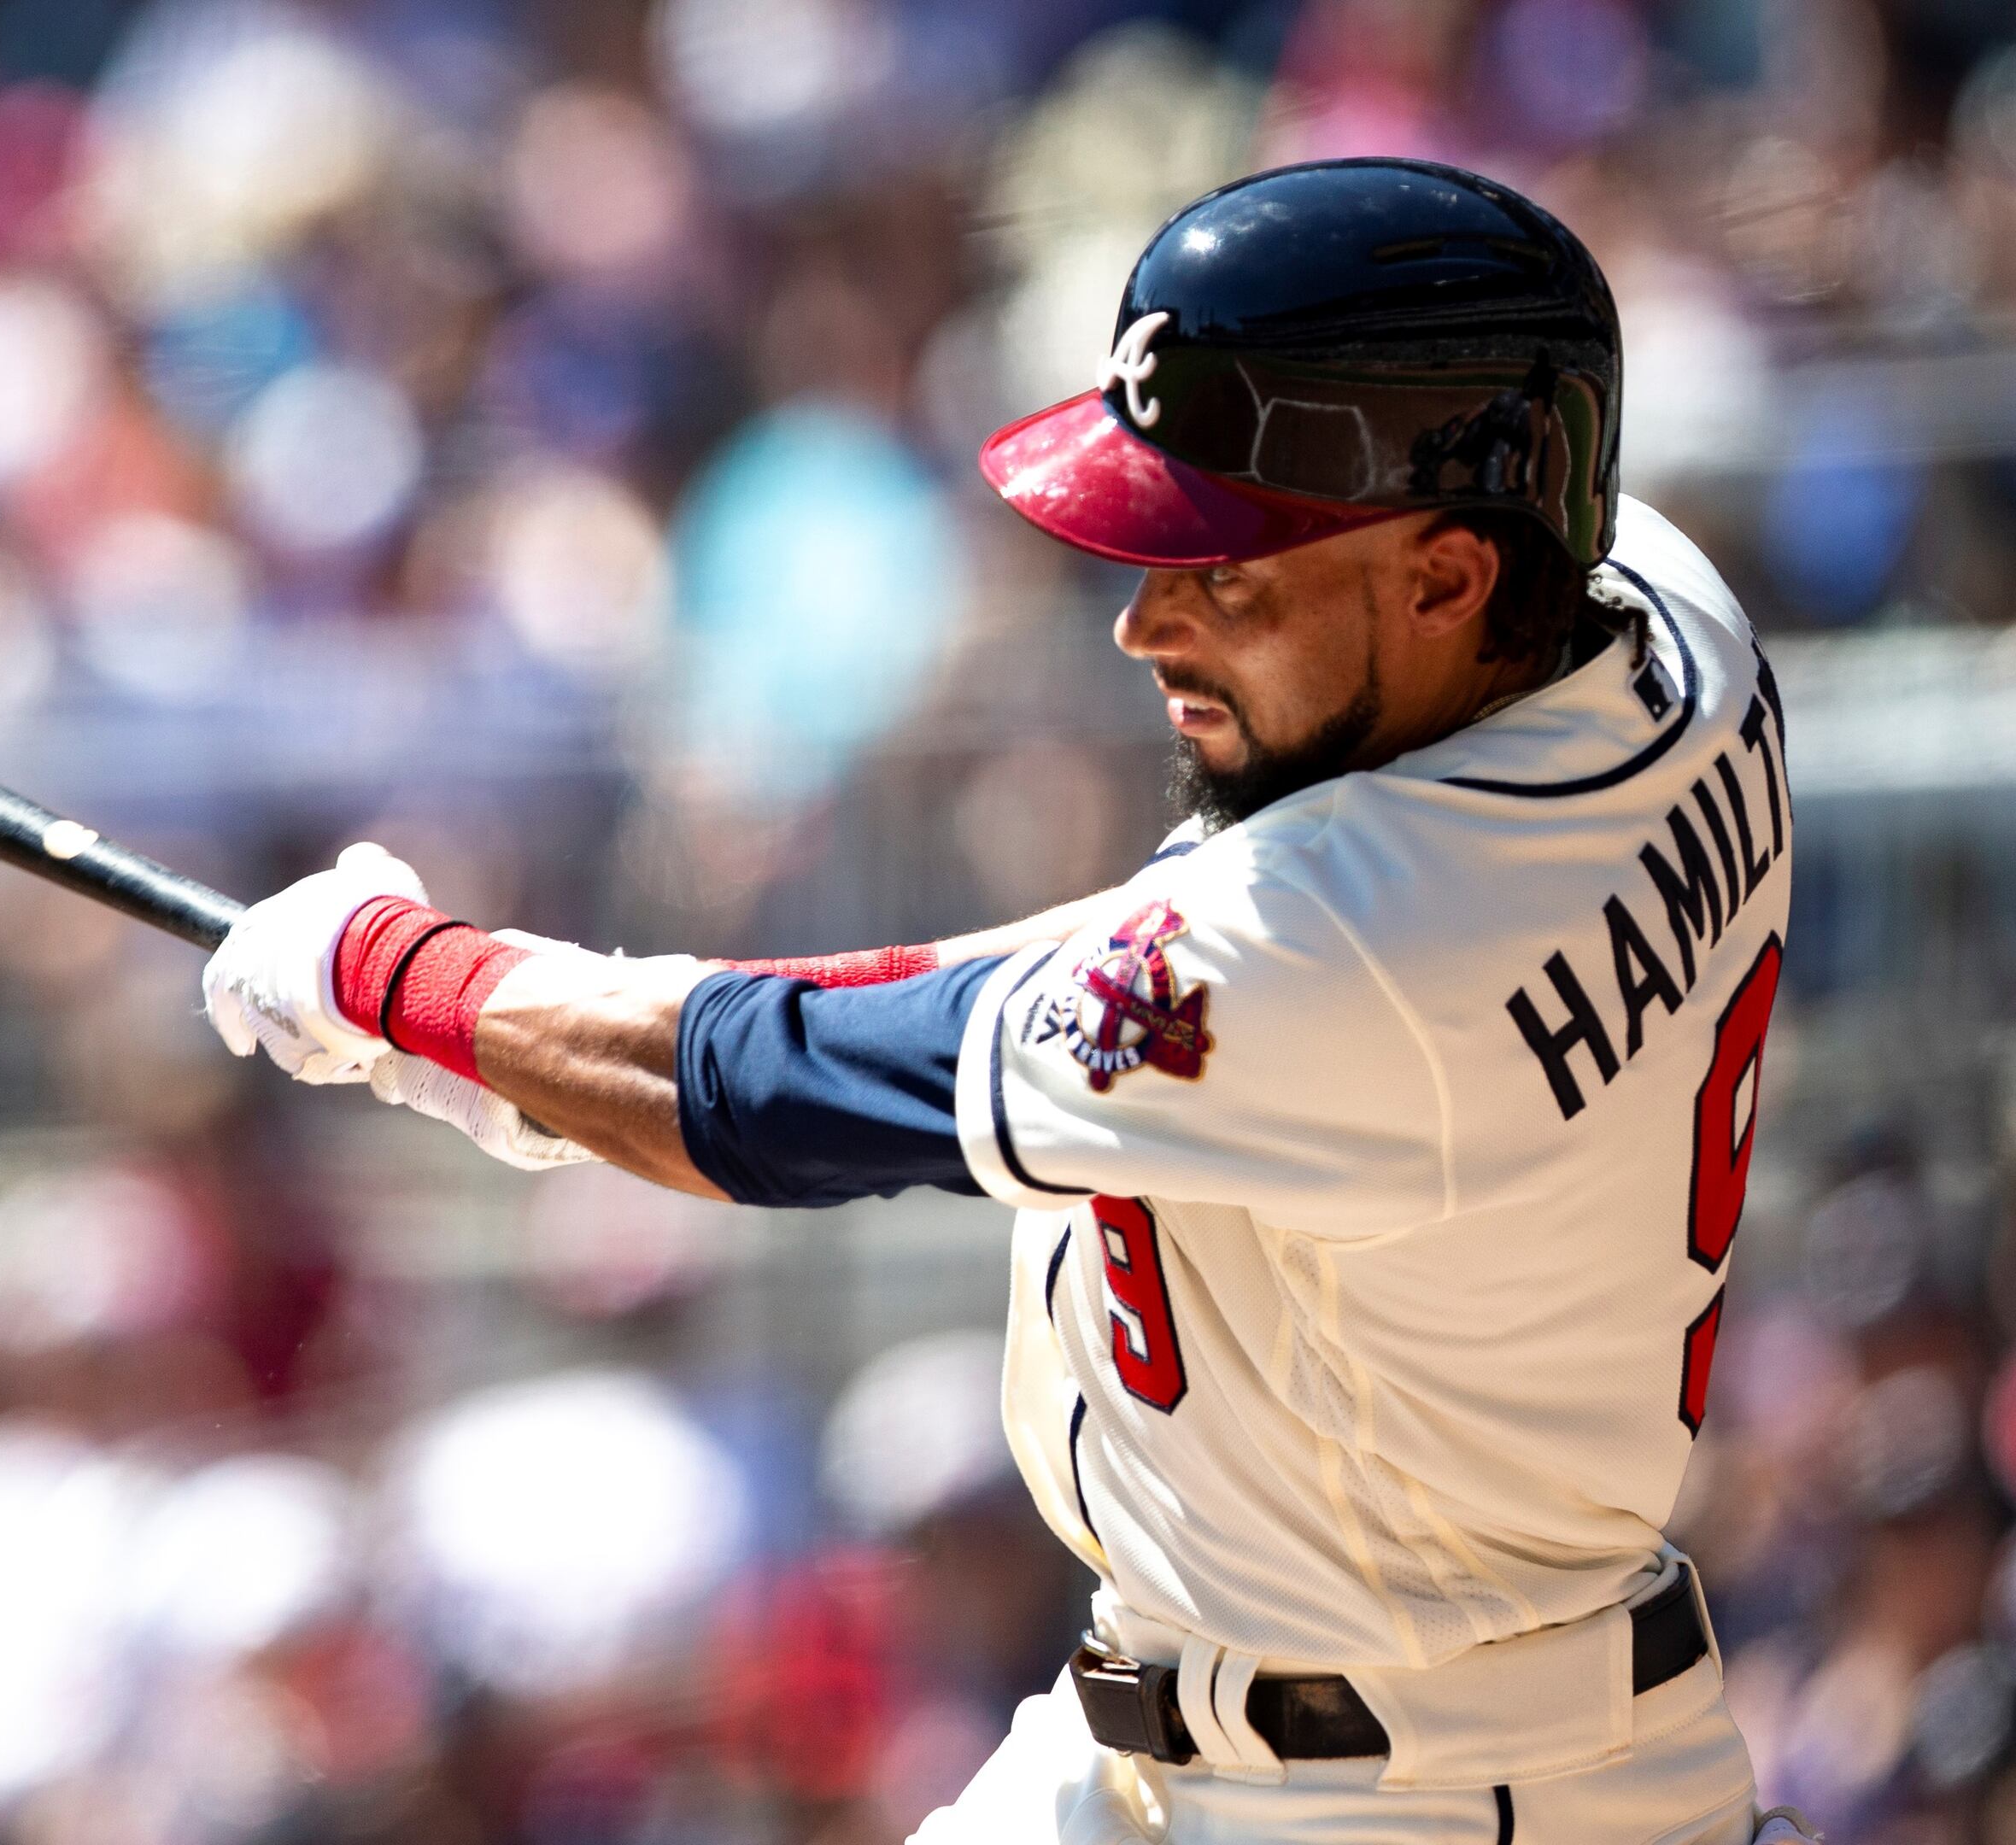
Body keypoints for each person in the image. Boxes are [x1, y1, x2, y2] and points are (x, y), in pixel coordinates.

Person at [202, 159, 1819, 1844]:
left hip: (1416, 1798)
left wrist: (410, 980)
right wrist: (545, 1048)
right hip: (1235, 1725)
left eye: (1230, 569)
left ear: (1447, 576)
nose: (1144, 621)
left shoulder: (1352, 948)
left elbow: (765, 1086)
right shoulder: (1664, 620)